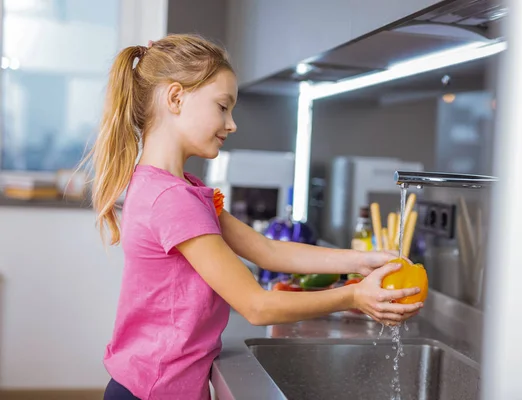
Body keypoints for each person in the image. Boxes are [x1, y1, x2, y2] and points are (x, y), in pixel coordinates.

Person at [85, 34, 424, 400]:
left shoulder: (176, 187)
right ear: (176, 98)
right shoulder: (172, 199)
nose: (231, 124)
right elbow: (256, 305)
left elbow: (265, 250)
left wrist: (363, 260)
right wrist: (354, 296)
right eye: (222, 106)